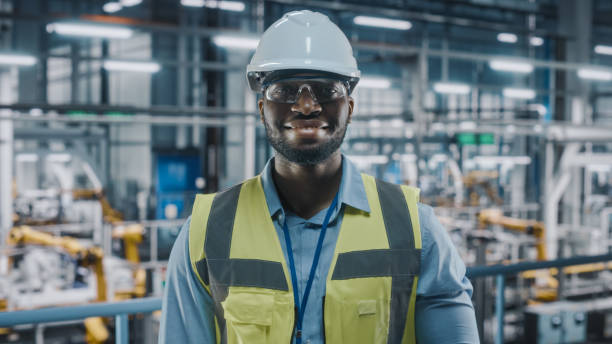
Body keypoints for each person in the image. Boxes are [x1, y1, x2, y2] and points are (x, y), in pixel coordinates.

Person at [160, 10, 479, 344]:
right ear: (261, 110)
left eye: (327, 89)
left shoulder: (415, 230)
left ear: (350, 108)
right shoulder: (206, 232)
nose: (307, 105)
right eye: (284, 90)